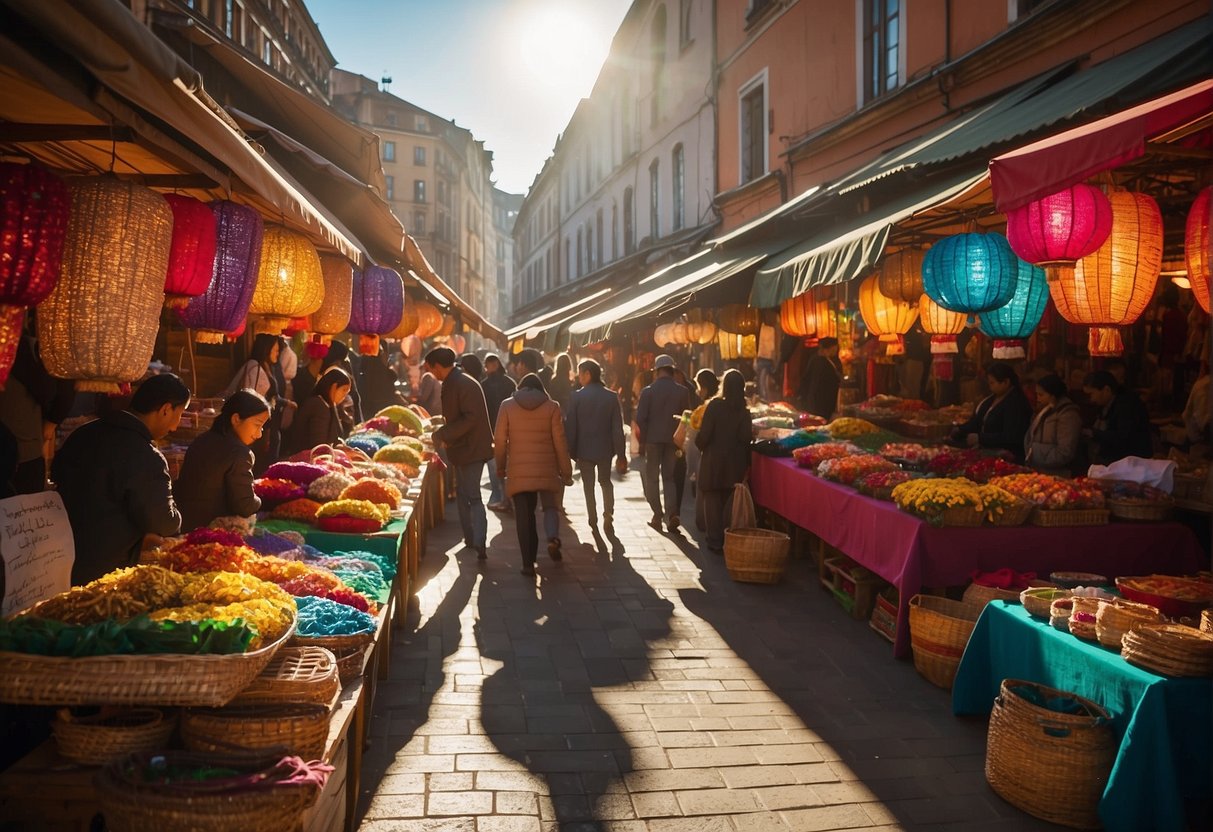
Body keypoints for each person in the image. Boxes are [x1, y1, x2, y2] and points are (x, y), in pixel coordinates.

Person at [52, 374, 189, 585]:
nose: (175, 427)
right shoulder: (145, 455)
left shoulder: (82, 434)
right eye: (179, 415)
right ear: (165, 409)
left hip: (59, 559)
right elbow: (164, 522)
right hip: (106, 572)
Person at [495, 373, 573, 576]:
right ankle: (552, 538)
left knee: (524, 516)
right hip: (546, 468)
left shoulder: (507, 406)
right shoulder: (552, 407)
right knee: (550, 506)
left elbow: (500, 440)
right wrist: (566, 472)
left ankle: (527, 563)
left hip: (519, 470)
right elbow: (560, 442)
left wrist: (500, 466)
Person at [427, 347, 494, 560]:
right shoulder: (455, 381)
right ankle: (471, 538)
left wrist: (444, 434)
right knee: (464, 494)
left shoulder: (463, 383)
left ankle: (480, 541)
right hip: (464, 447)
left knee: (473, 496)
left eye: (431, 368)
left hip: (472, 449)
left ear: (438, 366)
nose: (431, 373)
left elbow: (470, 418)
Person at [176, 390, 270, 531]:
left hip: (184, 524)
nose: (259, 434)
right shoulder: (240, 453)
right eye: (257, 425)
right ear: (236, 419)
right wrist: (262, 500)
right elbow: (245, 506)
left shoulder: (202, 440)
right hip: (211, 531)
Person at [564, 359, 626, 534]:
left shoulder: (576, 396)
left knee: (588, 486)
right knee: (605, 482)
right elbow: (617, 428)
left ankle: (592, 518)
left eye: (580, 373)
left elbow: (571, 426)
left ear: (588, 374)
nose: (579, 377)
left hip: (584, 450)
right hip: (605, 450)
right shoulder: (611, 396)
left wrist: (571, 450)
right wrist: (621, 454)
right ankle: (608, 513)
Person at [695, 369, 753, 552]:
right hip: (735, 463)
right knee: (728, 502)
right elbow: (746, 438)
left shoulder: (715, 406)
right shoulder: (744, 411)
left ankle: (714, 540)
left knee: (712, 500)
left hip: (713, 461)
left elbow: (704, 436)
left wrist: (700, 444)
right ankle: (728, 538)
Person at [635, 354, 692, 532]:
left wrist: (643, 440)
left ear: (657, 371)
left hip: (652, 440)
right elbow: (686, 418)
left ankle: (657, 514)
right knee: (669, 478)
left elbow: (640, 419)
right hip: (673, 441)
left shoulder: (648, 391)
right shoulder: (682, 391)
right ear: (672, 371)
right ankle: (672, 513)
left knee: (652, 479)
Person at [951, 362, 1033, 462]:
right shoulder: (992, 398)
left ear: (1006, 382)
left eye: (992, 383)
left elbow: (1011, 436)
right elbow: (978, 421)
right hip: (987, 451)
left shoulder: (1017, 403)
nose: (990, 386)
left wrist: (980, 438)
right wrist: (960, 430)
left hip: (1007, 456)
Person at [1082, 370, 1152, 465]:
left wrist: (1093, 433)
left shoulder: (1127, 406)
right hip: (1117, 462)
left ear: (1106, 390)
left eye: (1092, 394)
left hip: (1131, 464)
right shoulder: (1105, 405)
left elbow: (1123, 437)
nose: (1091, 399)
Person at [1024, 374, 1083, 476]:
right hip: (1039, 470)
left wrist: (1035, 452)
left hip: (1059, 473)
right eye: (1037, 394)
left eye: (1041, 395)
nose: (1038, 398)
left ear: (1053, 395)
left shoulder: (1068, 414)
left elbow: (1065, 452)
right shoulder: (1042, 410)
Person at [285, 367, 353, 455]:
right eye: (344, 390)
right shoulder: (319, 406)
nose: (345, 395)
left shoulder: (325, 404)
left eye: (347, 392)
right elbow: (318, 447)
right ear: (334, 386)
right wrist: (341, 452)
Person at [482, 353, 517, 511]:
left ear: (495, 364)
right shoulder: (510, 383)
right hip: (510, 428)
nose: (487, 368)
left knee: (496, 464)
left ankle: (500, 496)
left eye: (488, 364)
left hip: (492, 429)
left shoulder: (485, 384)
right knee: (508, 464)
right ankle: (507, 497)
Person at [799, 337, 842, 419]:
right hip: (821, 402)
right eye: (835, 348)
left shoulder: (820, 359)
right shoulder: (820, 362)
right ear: (830, 348)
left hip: (818, 401)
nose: (836, 350)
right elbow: (817, 383)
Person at [357, 346, 404, 416]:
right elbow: (392, 392)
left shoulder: (362, 374)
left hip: (368, 411)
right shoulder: (386, 373)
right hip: (386, 411)